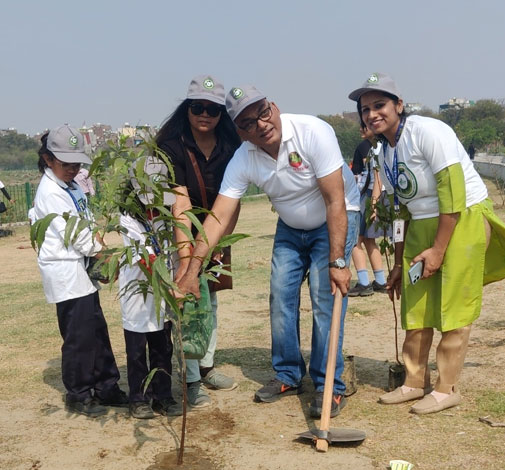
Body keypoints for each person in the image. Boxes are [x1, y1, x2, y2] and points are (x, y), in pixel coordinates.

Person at [349, 72, 505, 414]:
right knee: (416, 304)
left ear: (399, 105)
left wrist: (439, 250)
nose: (371, 114)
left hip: (462, 220)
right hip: (419, 226)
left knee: (454, 304)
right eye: (365, 109)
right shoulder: (384, 151)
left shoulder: (428, 131)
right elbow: (399, 212)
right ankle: (414, 382)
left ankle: (446, 388)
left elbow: (453, 194)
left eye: (379, 105)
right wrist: (399, 263)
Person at [175, 85, 360, 419]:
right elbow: (218, 217)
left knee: (324, 297)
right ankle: (289, 374)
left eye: (262, 111)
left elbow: (335, 201)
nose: (260, 124)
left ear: (273, 106)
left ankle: (327, 383)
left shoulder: (312, 132)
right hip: (291, 227)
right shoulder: (244, 158)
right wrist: (191, 272)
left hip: (335, 219)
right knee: (280, 295)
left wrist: (339, 261)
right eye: (247, 122)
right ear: (240, 133)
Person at [155, 75, 242, 408]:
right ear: (186, 109)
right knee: (190, 302)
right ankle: (190, 380)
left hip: (218, 231)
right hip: (184, 234)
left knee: (212, 301)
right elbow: (179, 206)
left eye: (213, 109)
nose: (204, 114)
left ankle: (206, 365)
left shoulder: (231, 148)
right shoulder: (172, 147)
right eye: (197, 107)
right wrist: (186, 259)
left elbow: (232, 200)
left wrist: (219, 242)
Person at [30, 125, 127, 418]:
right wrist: (104, 257)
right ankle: (79, 393)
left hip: (81, 268)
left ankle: (106, 386)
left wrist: (99, 246)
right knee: (79, 335)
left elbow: (85, 221)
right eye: (66, 163)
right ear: (48, 159)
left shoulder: (70, 186)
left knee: (96, 330)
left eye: (77, 163)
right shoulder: (50, 192)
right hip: (66, 271)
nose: (73, 169)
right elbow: (74, 233)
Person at [118, 157, 184, 419]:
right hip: (139, 292)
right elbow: (147, 260)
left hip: (165, 292)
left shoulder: (166, 216)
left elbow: (175, 248)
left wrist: (180, 277)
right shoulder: (127, 218)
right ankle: (138, 398)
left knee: (163, 347)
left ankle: (163, 396)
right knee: (136, 350)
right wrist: (170, 287)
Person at [348, 128, 388, 297]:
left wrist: (373, 203)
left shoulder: (376, 148)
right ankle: (380, 280)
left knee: (355, 240)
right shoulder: (381, 146)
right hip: (378, 195)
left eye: (365, 125)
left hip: (372, 195)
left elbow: (377, 178)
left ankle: (364, 283)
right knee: (369, 240)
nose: (361, 129)